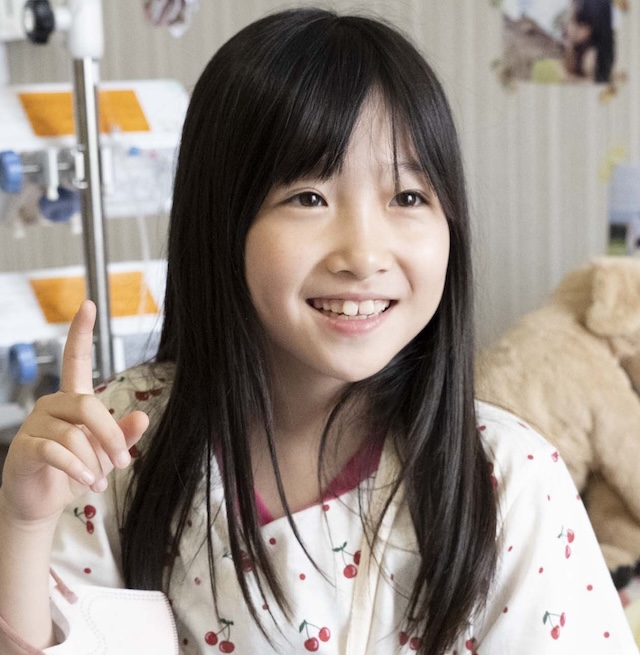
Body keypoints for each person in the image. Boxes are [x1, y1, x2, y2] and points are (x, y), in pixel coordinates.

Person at [0, 7, 636, 655]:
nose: (363, 254)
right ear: (220, 221)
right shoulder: (117, 443)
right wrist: (24, 522)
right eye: (309, 197)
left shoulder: (507, 481)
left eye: (408, 197)